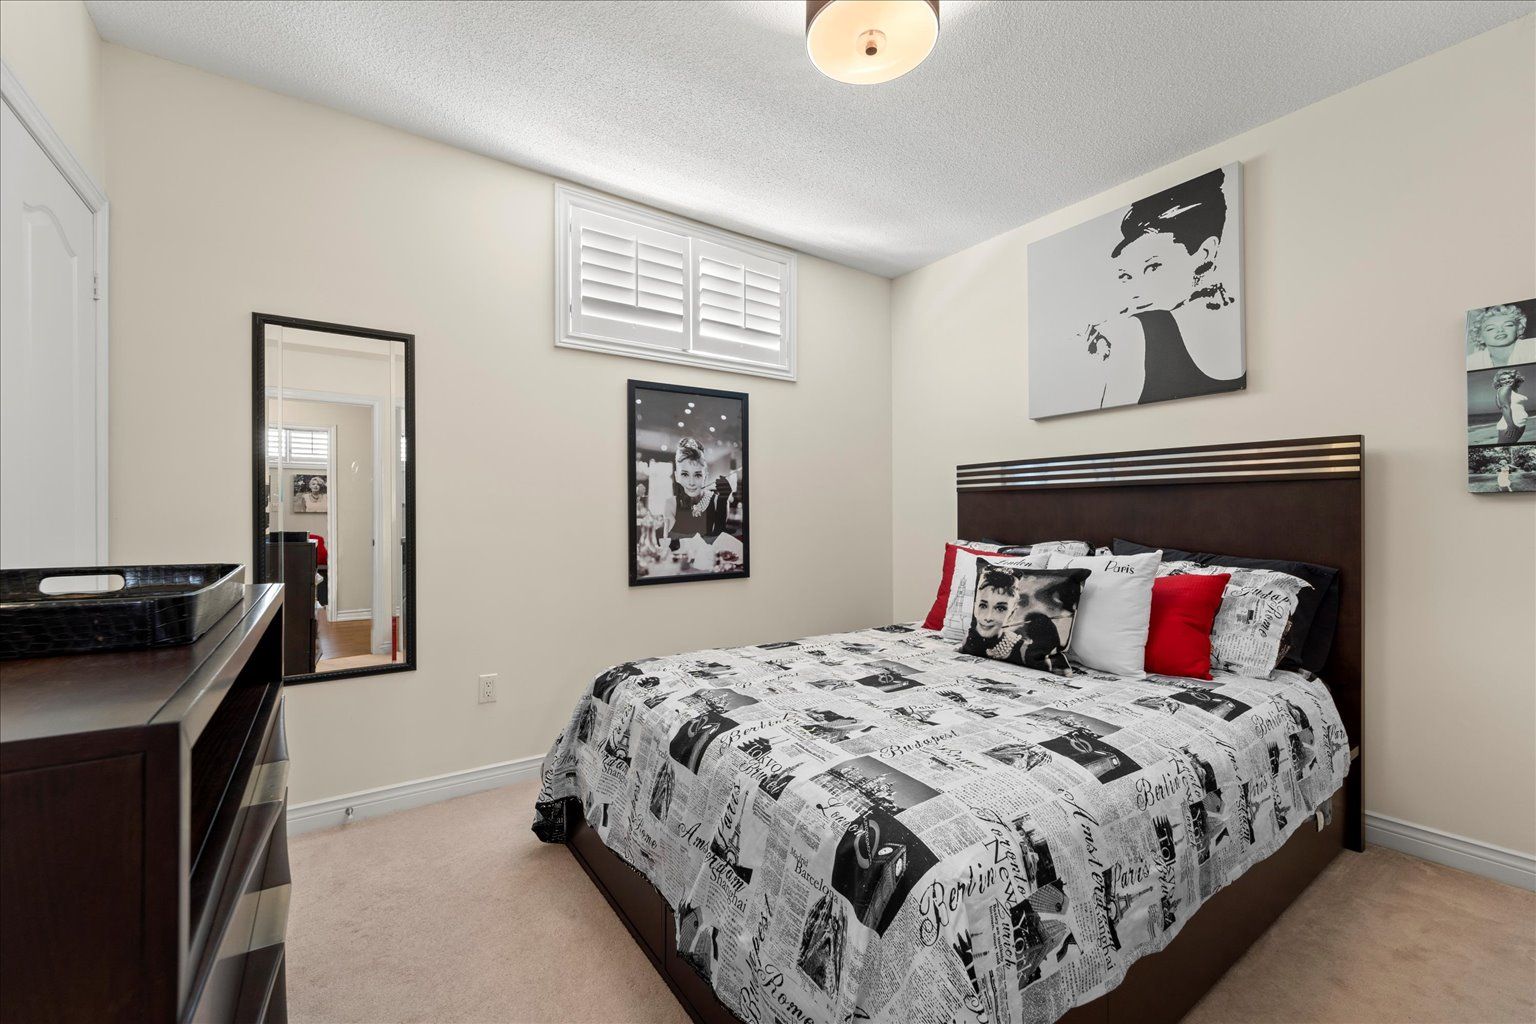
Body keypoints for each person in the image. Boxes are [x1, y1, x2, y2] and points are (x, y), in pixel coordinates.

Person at [1084, 169, 1245, 408]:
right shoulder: (1136, 330)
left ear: (1205, 253)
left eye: (1153, 267)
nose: (1136, 292)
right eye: (1127, 276)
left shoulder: (1143, 329)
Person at [664, 437, 733, 540]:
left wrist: (722, 504)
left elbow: (719, 542)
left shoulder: (717, 502)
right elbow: (668, 543)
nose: (691, 483)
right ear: (676, 476)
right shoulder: (671, 504)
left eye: (697, 475)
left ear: (705, 477)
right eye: (685, 474)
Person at [1467, 303, 1535, 369]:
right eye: (1490, 328)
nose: (1500, 330)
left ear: (1519, 329)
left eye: (1508, 325)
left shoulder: (1533, 347)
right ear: (1480, 337)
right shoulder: (1471, 362)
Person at [1493, 368, 1529, 444]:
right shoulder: (1504, 389)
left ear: (1514, 379)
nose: (1507, 380)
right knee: (1503, 447)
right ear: (1499, 382)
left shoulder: (1510, 390)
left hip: (1516, 423)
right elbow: (1504, 407)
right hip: (1511, 425)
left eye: (1510, 378)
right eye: (1503, 379)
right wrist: (1511, 426)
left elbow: (1500, 406)